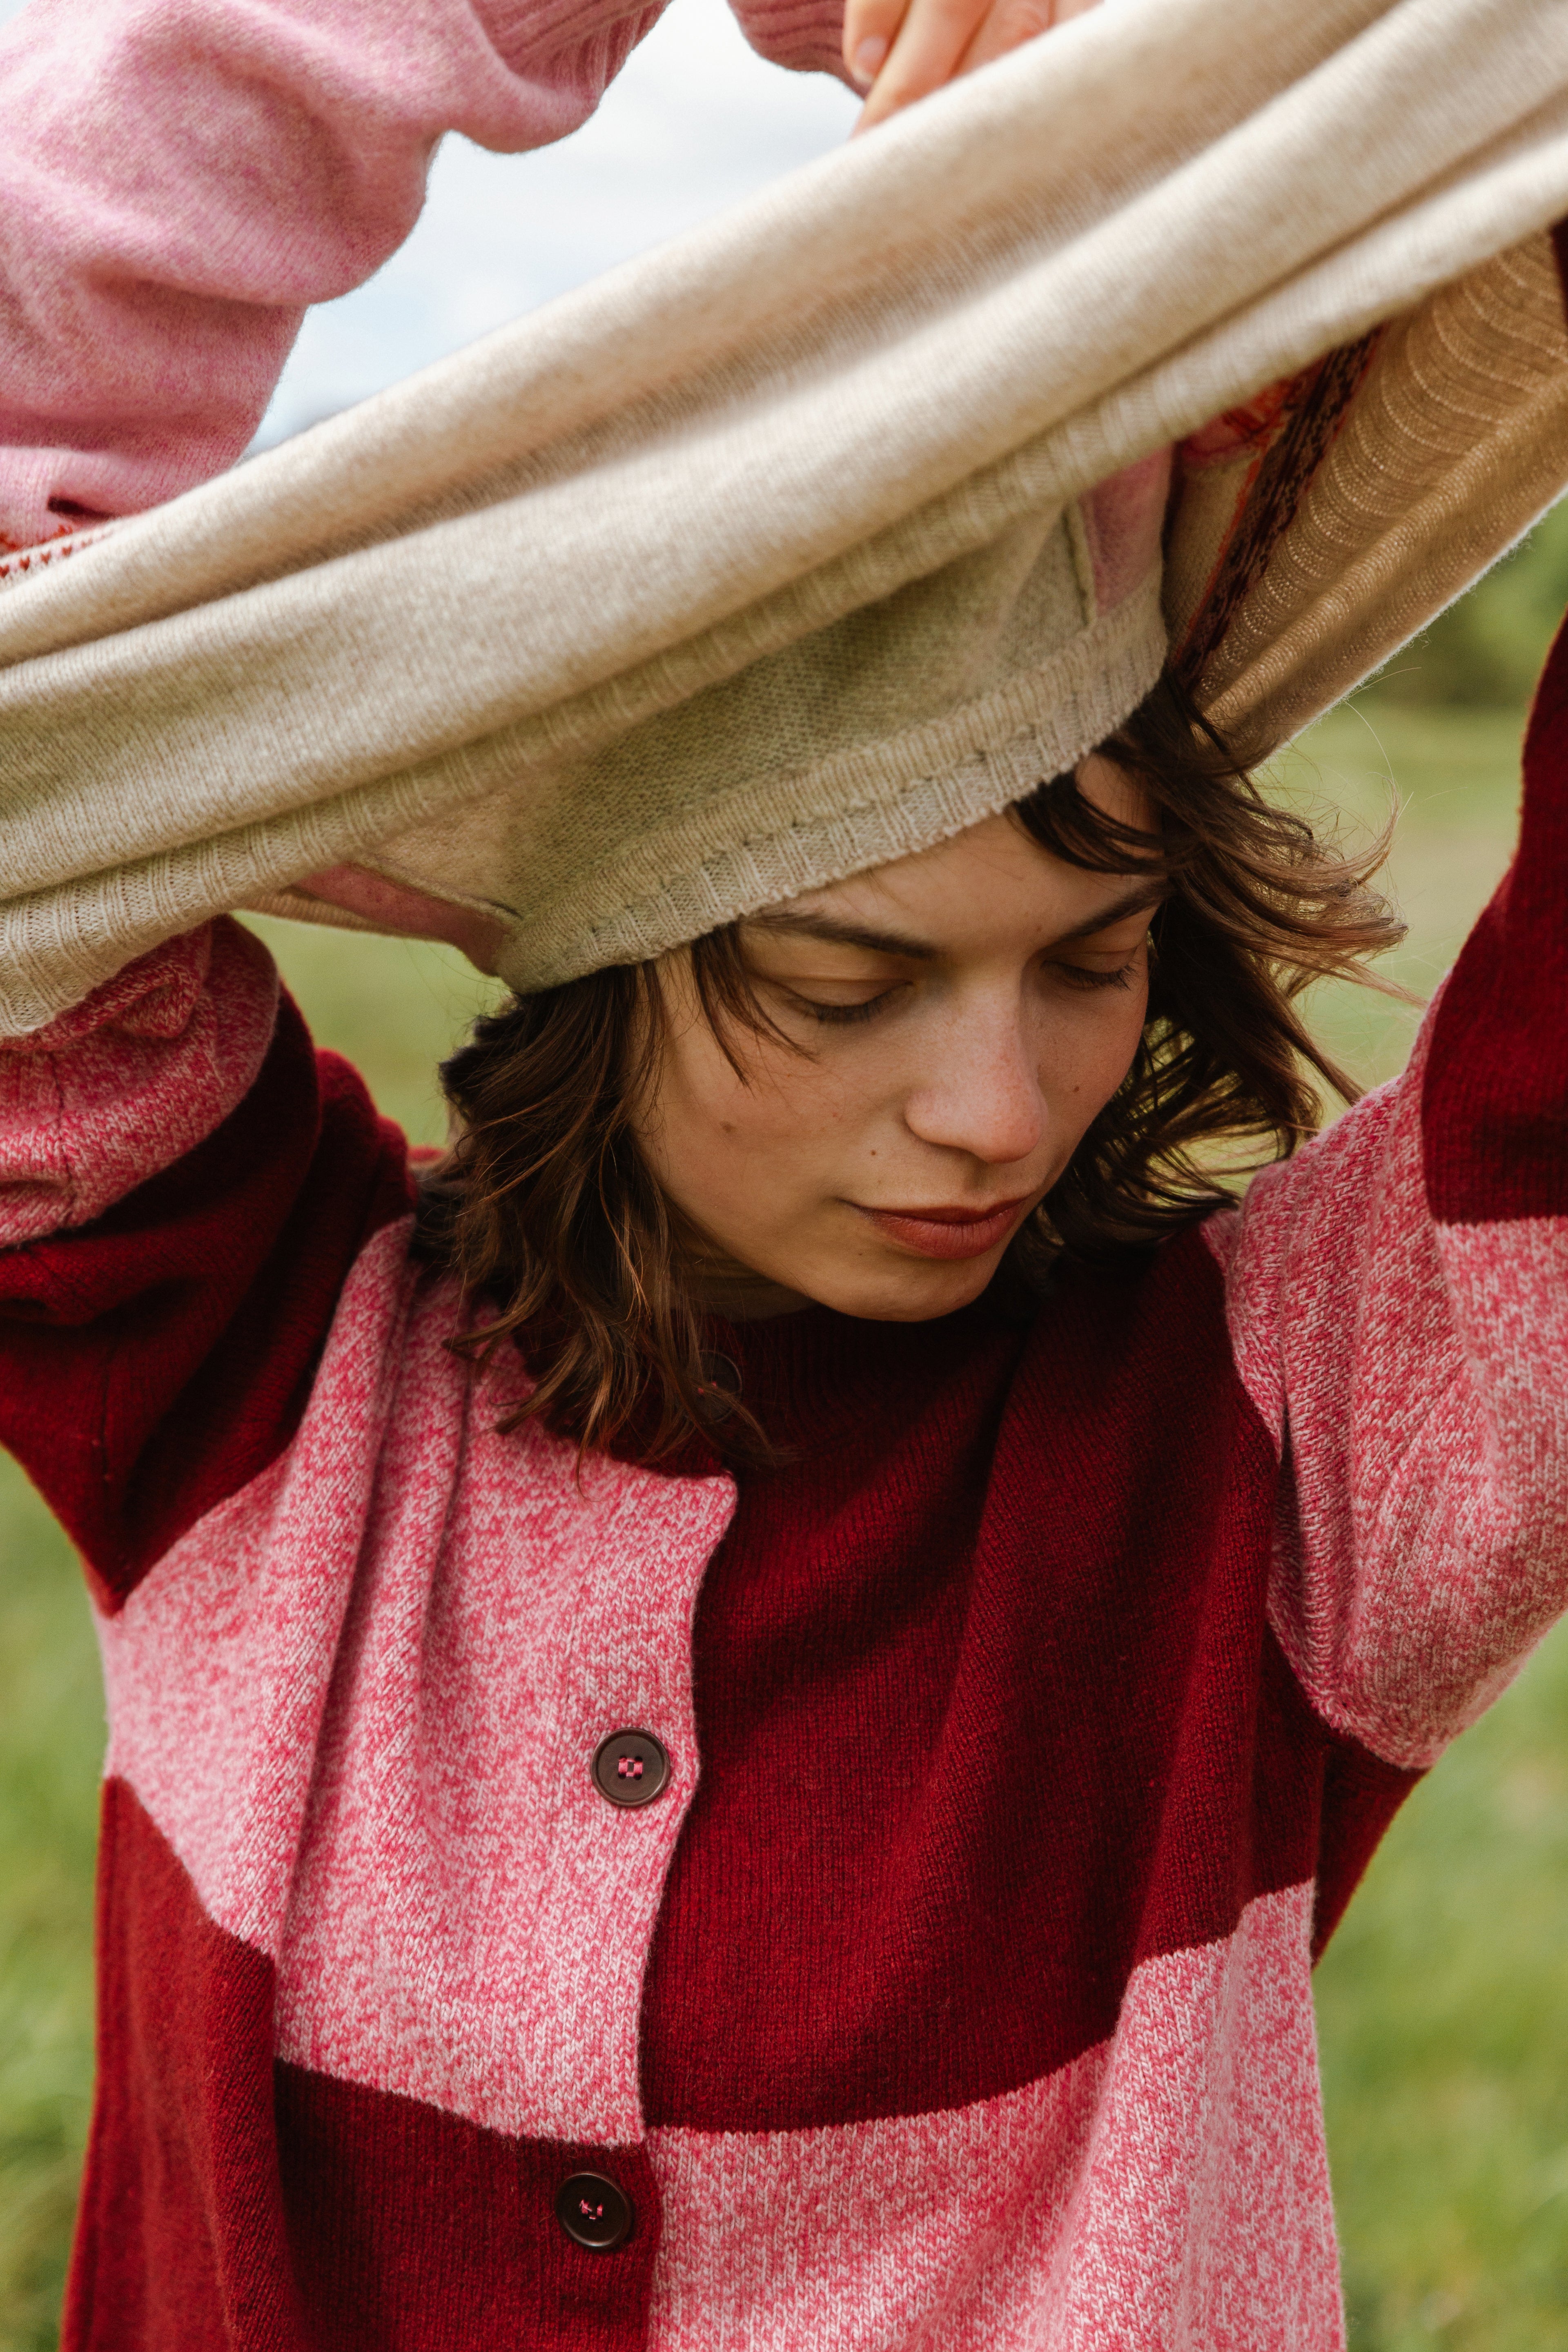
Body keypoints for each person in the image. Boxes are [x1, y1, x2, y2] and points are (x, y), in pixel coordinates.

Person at [0, 0, 1564, 2344]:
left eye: (1089, 964)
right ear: (605, 966)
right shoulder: (243, 1367)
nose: (1002, 1113)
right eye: (846, 986)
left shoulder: (1296, 1452)